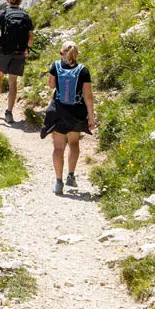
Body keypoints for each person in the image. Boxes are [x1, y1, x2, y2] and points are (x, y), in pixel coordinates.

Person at [41, 41, 97, 195]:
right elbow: (88, 96)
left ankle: (58, 182)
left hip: (58, 110)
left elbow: (51, 86)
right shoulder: (83, 70)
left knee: (58, 147)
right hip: (77, 111)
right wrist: (91, 118)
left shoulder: (56, 66)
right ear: (76, 53)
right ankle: (70, 176)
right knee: (73, 143)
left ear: (62, 53)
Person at [0, 0, 33, 123]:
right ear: (20, 0)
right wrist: (27, 49)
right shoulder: (25, 15)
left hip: (4, 51)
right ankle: (9, 113)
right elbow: (30, 36)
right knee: (13, 82)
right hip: (19, 52)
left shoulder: (2, 13)